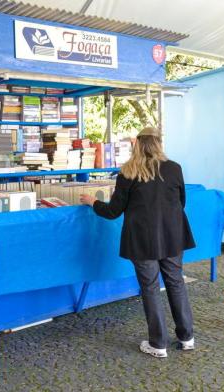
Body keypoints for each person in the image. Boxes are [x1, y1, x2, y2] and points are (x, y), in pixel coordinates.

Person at [80, 126, 195, 358]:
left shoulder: (128, 172)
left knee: (150, 288)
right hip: (173, 235)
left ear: (137, 145)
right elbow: (181, 202)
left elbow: (113, 211)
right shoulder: (174, 168)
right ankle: (187, 337)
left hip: (142, 239)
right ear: (159, 143)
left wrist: (92, 201)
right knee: (175, 283)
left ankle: (158, 343)